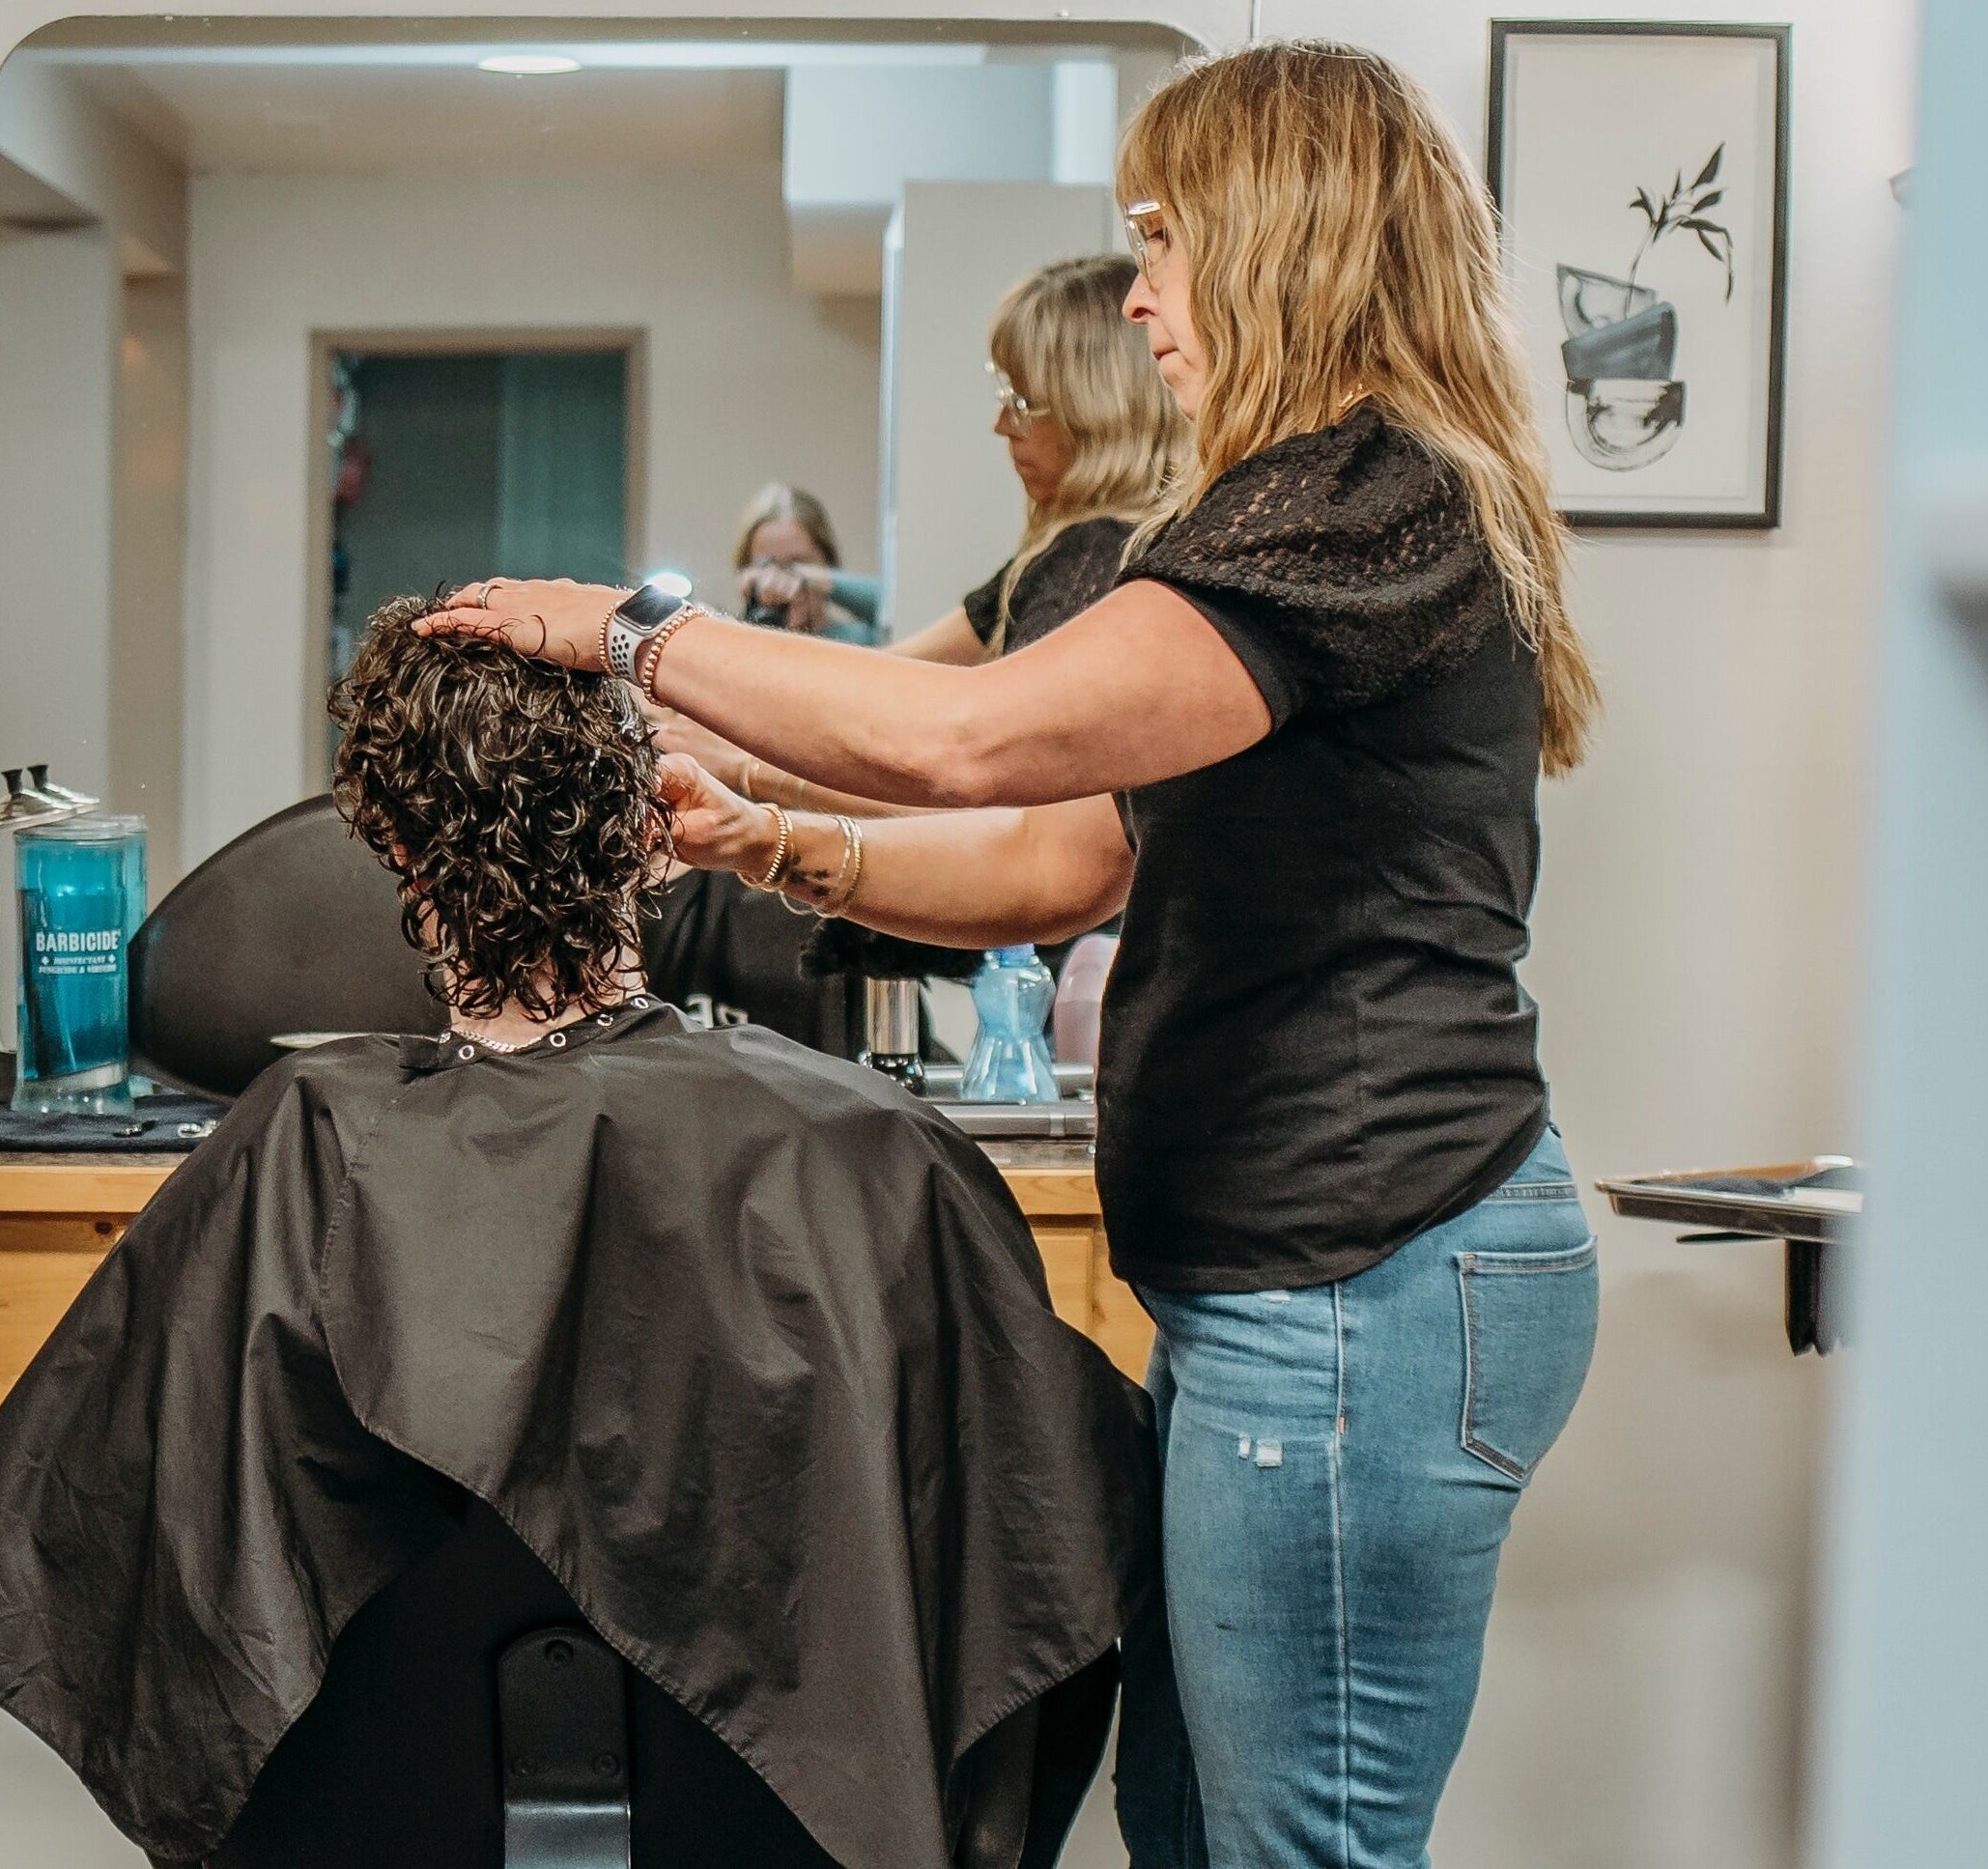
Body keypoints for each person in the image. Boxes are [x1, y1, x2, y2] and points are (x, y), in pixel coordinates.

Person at [418, 38, 1604, 1869]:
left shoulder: (1369, 498)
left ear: (1281, 230)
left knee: (1291, 1851)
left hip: (1368, 1274)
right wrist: (775, 842)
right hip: (1285, 1280)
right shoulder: (1272, 508)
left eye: (1161, 239)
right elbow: (1063, 855)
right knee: (1191, 1826)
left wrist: (627, 631)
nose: (1137, 298)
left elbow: (972, 741)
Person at [0, 593, 1158, 1869]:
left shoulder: (294, 1154)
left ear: (391, 844)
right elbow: (1040, 1587)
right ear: (655, 834)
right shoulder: (871, 1156)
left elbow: (117, 1568)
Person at [678, 252, 1182, 816]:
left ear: (1095, 410)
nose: (1001, 426)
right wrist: (703, 678)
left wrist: (746, 767)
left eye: (1019, 404)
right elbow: (895, 671)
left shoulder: (1091, 559)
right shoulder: (1053, 563)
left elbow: (984, 814)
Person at [730, 482, 883, 643]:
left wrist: (807, 578)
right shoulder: (734, 641)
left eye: (799, 563)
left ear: (827, 561)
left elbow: (897, 604)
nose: (781, 581)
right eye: (766, 565)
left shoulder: (860, 642)